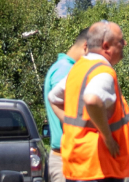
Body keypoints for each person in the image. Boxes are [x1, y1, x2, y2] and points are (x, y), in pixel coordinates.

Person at [48, 21, 129, 182]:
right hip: (100, 167)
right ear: (106, 46)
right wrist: (108, 138)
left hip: (79, 166)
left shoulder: (78, 69)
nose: (125, 44)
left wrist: (75, 125)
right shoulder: (103, 72)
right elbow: (92, 100)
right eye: (120, 41)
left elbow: (53, 98)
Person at [45, 29, 89, 182]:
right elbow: (67, 108)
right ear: (86, 46)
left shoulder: (62, 67)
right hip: (65, 159)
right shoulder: (65, 70)